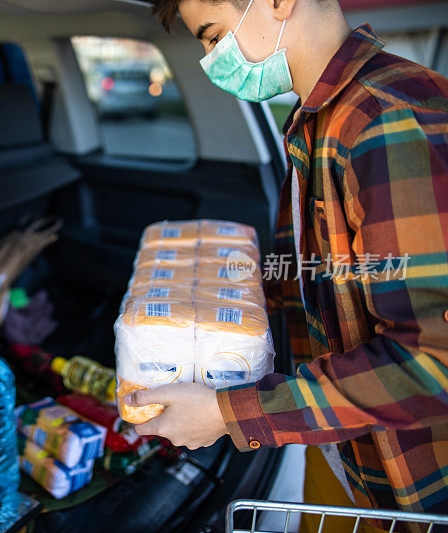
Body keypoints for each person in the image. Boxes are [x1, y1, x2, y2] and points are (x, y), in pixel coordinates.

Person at [131, 0, 448, 527]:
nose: (211, 61)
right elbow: (332, 276)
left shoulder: (383, 120)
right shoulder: (318, 119)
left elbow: (434, 362)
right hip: (347, 449)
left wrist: (228, 414)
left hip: (413, 485)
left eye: (213, 37)